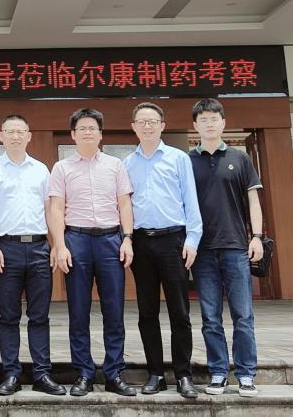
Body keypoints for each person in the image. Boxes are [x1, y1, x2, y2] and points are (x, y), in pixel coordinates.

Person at [48, 108, 137, 398]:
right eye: (82, 128)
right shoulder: (61, 168)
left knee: (114, 310)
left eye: (92, 128)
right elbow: (56, 208)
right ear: (73, 135)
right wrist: (60, 245)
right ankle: (84, 372)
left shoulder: (115, 165)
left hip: (111, 240)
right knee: (78, 311)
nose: (87, 132)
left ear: (100, 134)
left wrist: (127, 239)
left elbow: (124, 204)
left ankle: (114, 373)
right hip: (76, 240)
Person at [0, 114, 66, 397]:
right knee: (9, 315)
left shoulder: (41, 169)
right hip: (7, 248)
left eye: (20, 132)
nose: (15, 136)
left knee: (40, 315)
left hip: (39, 247)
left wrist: (57, 244)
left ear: (29, 136)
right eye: (10, 131)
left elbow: (50, 209)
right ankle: (11, 373)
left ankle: (42, 373)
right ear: (1, 136)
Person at [124, 102, 203, 399]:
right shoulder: (126, 164)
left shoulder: (178, 158)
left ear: (162, 126)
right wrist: (127, 239)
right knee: (147, 312)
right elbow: (124, 206)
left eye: (153, 121)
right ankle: (155, 373)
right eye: (142, 122)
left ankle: (183, 374)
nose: (147, 126)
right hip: (142, 242)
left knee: (179, 311)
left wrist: (192, 239)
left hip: (174, 241)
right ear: (134, 127)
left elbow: (190, 200)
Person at [189, 98, 264, 398]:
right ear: (195, 125)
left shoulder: (240, 158)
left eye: (213, 119)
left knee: (243, 315)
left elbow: (253, 201)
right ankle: (218, 372)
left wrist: (256, 236)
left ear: (223, 123)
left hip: (236, 247)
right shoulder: (187, 161)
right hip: (202, 250)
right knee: (210, 317)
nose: (209, 124)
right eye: (203, 119)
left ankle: (246, 374)